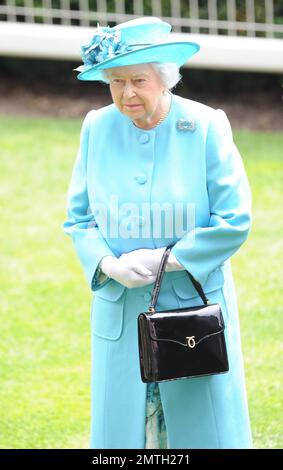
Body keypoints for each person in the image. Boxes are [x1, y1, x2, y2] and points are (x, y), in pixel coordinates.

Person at [62, 16, 253, 449]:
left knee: (201, 433)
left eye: (138, 80)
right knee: (125, 438)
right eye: (116, 81)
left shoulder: (205, 125)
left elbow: (234, 219)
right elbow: (79, 220)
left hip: (192, 310)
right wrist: (108, 264)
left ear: (165, 78)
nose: (127, 93)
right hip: (123, 306)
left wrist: (167, 260)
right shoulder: (97, 126)